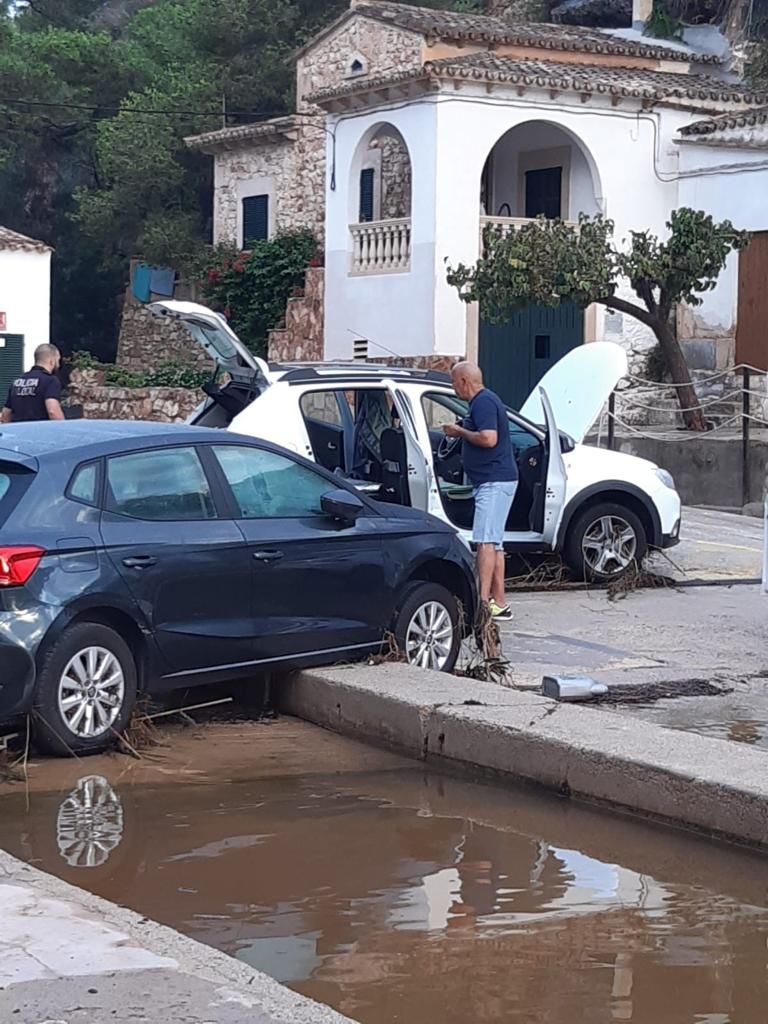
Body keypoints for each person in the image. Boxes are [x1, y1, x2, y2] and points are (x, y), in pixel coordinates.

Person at [443, 362, 517, 621]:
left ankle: (482, 602)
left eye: (454, 383)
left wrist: (459, 431)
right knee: (495, 543)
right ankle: (500, 603)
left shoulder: (483, 402)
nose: (454, 389)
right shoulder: (484, 402)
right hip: (495, 480)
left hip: (493, 481)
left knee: (484, 541)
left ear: (464, 381)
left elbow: (488, 438)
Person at [1, 344, 64, 424]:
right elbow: (53, 411)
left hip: (19, 434)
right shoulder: (50, 380)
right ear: (52, 361)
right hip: (42, 433)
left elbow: (6, 415)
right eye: (58, 360)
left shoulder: (17, 382)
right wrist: (64, 428)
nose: (58, 364)